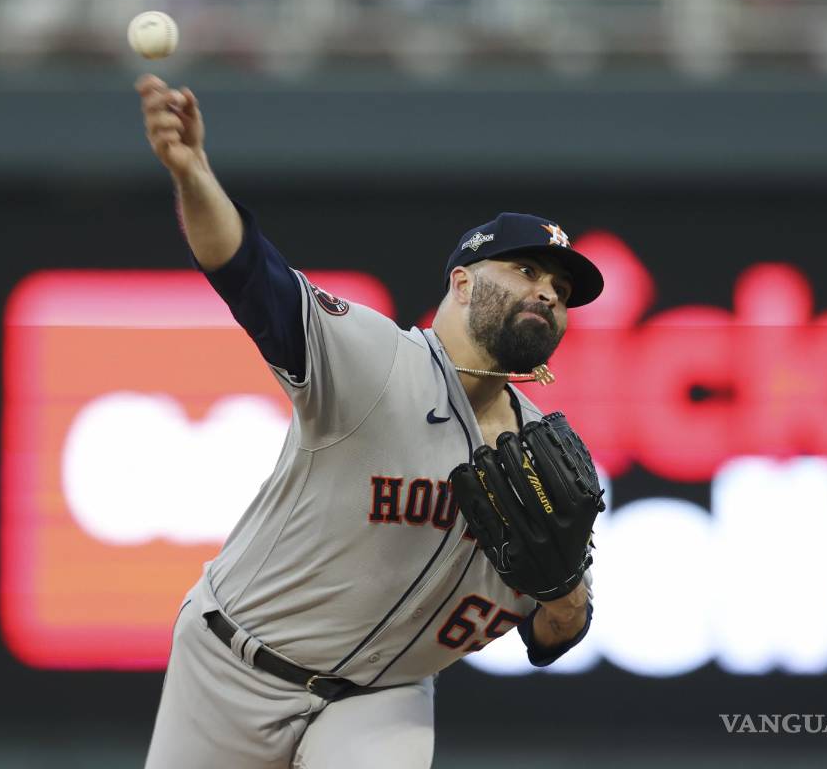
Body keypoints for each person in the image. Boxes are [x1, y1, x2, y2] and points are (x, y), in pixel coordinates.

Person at [136, 73, 604, 769]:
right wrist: (195, 174)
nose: (548, 291)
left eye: (562, 289)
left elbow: (554, 635)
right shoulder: (373, 359)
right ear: (463, 280)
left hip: (383, 699)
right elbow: (246, 272)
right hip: (232, 664)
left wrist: (565, 590)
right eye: (528, 270)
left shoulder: (548, 460)